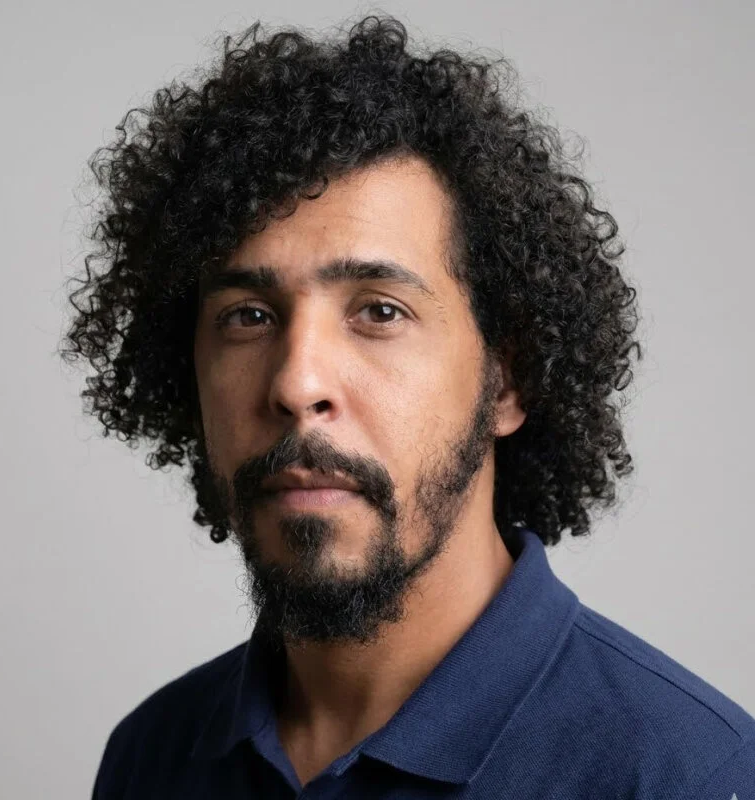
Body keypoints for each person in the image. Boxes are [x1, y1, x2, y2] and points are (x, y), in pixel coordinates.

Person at [61, 14, 755, 799]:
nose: (296, 383)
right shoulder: (153, 754)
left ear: (507, 380)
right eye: (248, 316)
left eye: (380, 311)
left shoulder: (686, 775)